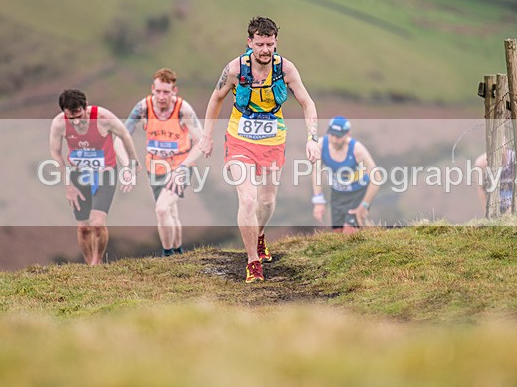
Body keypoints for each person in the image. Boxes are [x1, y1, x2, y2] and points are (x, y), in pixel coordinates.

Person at [198, 16, 320, 283]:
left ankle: (260, 235)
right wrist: (207, 136)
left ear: (276, 43)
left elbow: (307, 103)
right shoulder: (234, 69)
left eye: (270, 44)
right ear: (249, 42)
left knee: (266, 201)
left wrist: (312, 138)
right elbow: (216, 98)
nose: (266, 50)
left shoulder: (286, 69)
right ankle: (253, 261)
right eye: (261, 44)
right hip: (239, 138)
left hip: (273, 140)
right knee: (249, 200)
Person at [49, 89, 139, 265]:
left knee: (97, 222)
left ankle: (96, 263)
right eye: (70, 118)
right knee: (83, 228)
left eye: (79, 116)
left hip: (105, 173)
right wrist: (68, 185)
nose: (76, 122)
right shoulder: (59, 124)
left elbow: (124, 135)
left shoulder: (103, 117)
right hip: (79, 175)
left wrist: (133, 162)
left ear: (86, 107)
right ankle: (89, 264)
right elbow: (56, 154)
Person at [120, 68, 204, 257]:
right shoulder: (143, 107)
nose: (161, 96)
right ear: (152, 89)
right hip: (155, 167)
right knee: (171, 213)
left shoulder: (184, 110)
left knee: (161, 209)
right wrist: (127, 165)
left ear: (174, 91)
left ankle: (167, 256)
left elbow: (202, 143)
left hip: (180, 167)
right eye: (158, 91)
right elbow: (121, 137)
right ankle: (179, 254)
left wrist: (182, 168)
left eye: (166, 92)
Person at [311, 116, 381, 233]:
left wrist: (364, 205)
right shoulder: (321, 145)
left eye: (338, 136)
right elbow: (316, 171)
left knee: (350, 232)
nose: (334, 139)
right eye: (332, 134)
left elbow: (377, 178)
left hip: (357, 194)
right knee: (338, 232)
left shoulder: (357, 150)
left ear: (347, 134)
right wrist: (318, 200)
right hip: (337, 194)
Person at [474, 145, 517, 215]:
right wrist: (487, 212)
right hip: (494, 206)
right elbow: (481, 189)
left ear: (506, 148)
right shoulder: (482, 164)